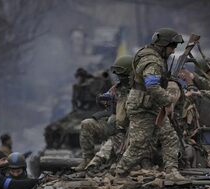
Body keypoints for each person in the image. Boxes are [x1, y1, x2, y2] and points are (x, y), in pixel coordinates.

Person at [114, 28, 184, 179]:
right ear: (163, 45)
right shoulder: (152, 61)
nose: (173, 51)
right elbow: (152, 86)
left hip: (151, 105)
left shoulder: (152, 56)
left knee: (170, 137)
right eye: (172, 47)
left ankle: (172, 171)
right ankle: (119, 173)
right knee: (139, 146)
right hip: (142, 108)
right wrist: (168, 101)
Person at [78, 55, 133, 170]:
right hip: (113, 123)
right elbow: (105, 101)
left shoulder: (138, 89)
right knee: (86, 123)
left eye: (121, 74)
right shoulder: (117, 88)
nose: (119, 77)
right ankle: (87, 159)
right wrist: (103, 99)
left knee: (115, 132)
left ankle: (97, 162)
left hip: (129, 128)